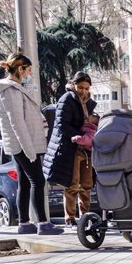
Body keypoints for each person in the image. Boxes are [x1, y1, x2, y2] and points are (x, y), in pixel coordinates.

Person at [0, 53, 62, 235]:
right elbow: (17, 122)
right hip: (24, 144)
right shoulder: (9, 91)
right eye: (28, 70)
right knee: (38, 181)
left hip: (24, 143)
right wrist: (29, 149)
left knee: (25, 181)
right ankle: (43, 223)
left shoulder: (14, 89)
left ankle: (25, 222)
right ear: (20, 69)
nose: (29, 73)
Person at [44, 71, 97, 228]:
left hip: (85, 148)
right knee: (72, 185)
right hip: (70, 148)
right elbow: (61, 125)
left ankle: (86, 216)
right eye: (80, 87)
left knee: (87, 184)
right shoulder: (67, 99)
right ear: (73, 84)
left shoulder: (89, 102)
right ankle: (71, 218)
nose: (83, 91)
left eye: (87, 88)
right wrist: (82, 135)